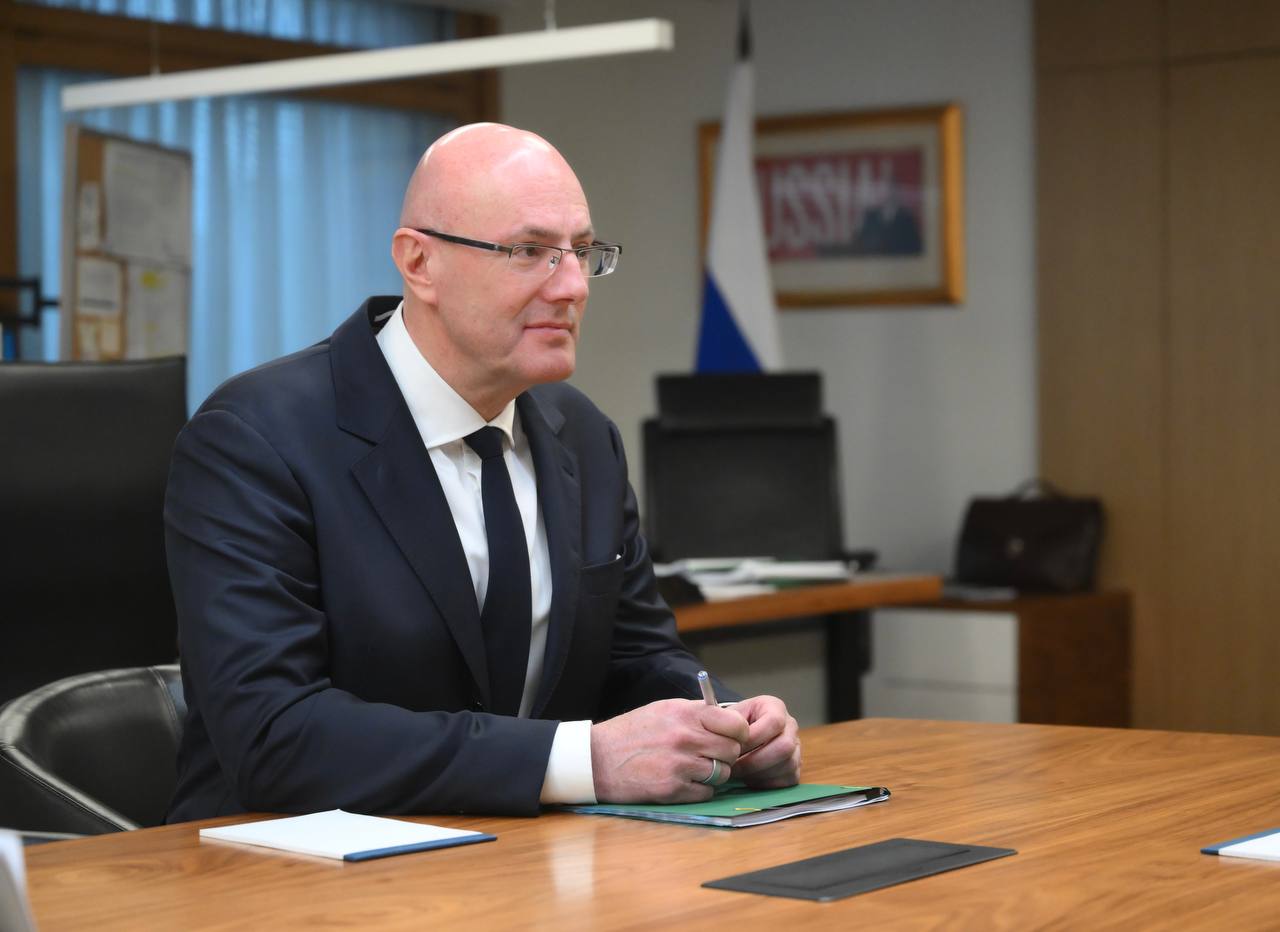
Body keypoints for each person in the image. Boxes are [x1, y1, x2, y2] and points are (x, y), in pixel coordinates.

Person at [165, 123, 801, 822]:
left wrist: (727, 724)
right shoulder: (256, 438)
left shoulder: (583, 434)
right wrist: (581, 760)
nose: (571, 286)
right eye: (530, 252)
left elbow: (635, 656)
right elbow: (272, 733)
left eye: (581, 252)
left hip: (519, 856)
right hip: (282, 864)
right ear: (419, 263)